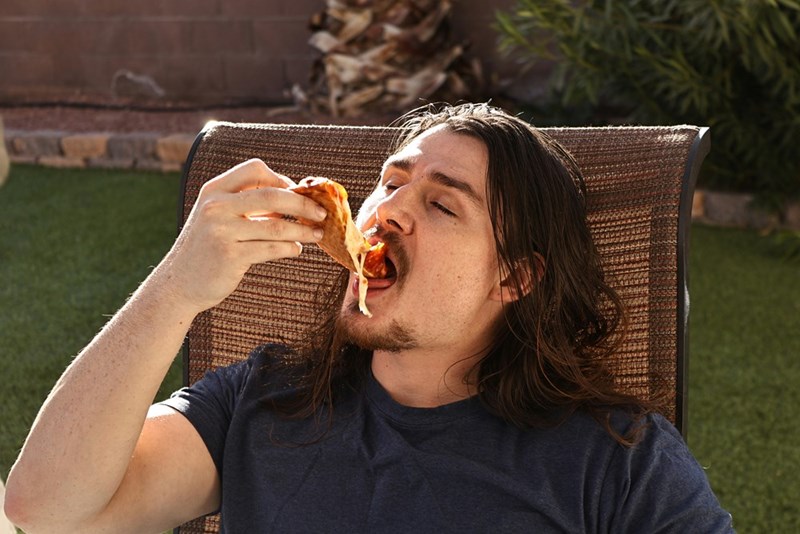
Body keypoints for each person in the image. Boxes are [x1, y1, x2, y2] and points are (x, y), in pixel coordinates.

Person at [4, 103, 733, 533]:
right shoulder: (263, 400)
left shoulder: (616, 461)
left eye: (443, 204)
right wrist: (176, 289)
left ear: (516, 276)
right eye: (390, 183)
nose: (387, 212)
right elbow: (44, 511)